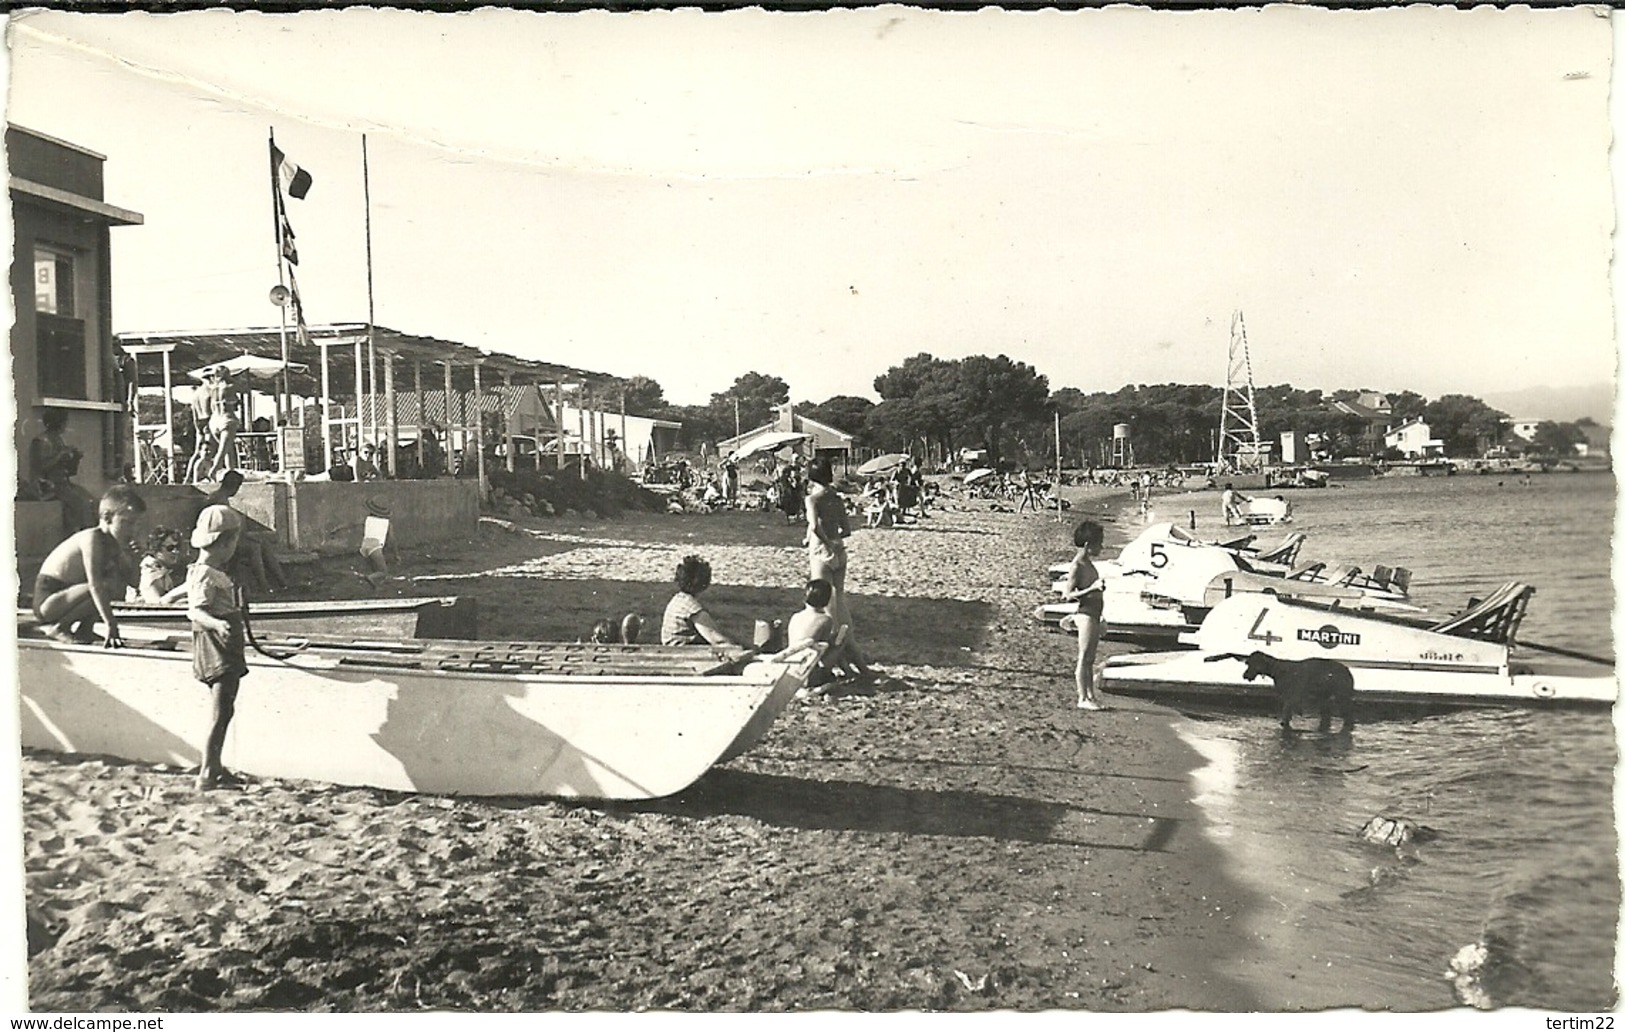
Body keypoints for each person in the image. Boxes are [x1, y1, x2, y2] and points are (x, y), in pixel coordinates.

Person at [32, 484, 146, 646]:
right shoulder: (92, 538)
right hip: (48, 601)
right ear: (107, 517)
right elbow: (95, 585)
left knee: (115, 583)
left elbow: (132, 583)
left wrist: (134, 558)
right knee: (105, 586)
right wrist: (112, 625)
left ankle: (85, 629)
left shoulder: (114, 543)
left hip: (68, 597)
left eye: (137, 524)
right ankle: (59, 627)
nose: (133, 530)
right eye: (128, 523)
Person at [187, 504, 249, 789]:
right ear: (224, 543)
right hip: (217, 643)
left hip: (225, 640)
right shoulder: (205, 574)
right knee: (221, 710)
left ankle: (214, 765)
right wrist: (218, 624)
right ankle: (207, 773)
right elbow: (196, 611)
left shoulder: (206, 571)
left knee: (225, 709)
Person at [804, 457, 874, 675]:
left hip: (822, 552)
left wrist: (822, 541)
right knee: (839, 604)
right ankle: (851, 649)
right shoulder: (837, 498)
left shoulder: (813, 499)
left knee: (821, 606)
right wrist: (832, 539)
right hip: (840, 550)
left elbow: (815, 525)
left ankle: (835, 653)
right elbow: (846, 529)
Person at [1060, 519, 1108, 711]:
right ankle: (1082, 697)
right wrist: (1092, 588)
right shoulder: (1077, 565)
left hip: (1094, 613)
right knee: (1084, 657)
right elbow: (1067, 595)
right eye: (1099, 543)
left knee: (1090, 659)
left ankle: (1090, 696)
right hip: (1086, 613)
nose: (1102, 547)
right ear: (1088, 545)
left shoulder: (1088, 563)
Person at [786, 578, 862, 691]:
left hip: (791, 671)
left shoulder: (796, 616)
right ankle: (849, 672)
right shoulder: (825, 620)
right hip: (809, 675)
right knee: (839, 642)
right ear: (827, 600)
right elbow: (823, 651)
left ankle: (849, 672)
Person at [27, 408, 96, 530]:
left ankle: (86, 532)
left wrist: (75, 458)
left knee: (91, 500)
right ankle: (85, 534)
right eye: (64, 422)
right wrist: (60, 455)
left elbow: (68, 471)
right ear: (58, 423)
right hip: (46, 485)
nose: (66, 425)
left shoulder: (58, 440)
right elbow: (41, 467)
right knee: (81, 504)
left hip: (62, 484)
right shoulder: (40, 441)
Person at [660, 554, 740, 647]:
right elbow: (715, 638)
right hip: (684, 653)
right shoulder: (691, 607)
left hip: (672, 650)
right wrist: (741, 648)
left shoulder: (678, 600)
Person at [204, 367, 243, 481]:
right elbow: (243, 388)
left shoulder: (212, 387)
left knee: (228, 450)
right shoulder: (230, 387)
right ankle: (213, 472)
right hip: (227, 418)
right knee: (222, 452)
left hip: (214, 419)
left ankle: (230, 473)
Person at [136, 526, 190, 604]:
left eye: (177, 547)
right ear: (156, 548)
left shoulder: (162, 570)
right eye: (170, 548)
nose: (175, 551)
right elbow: (157, 604)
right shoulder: (151, 570)